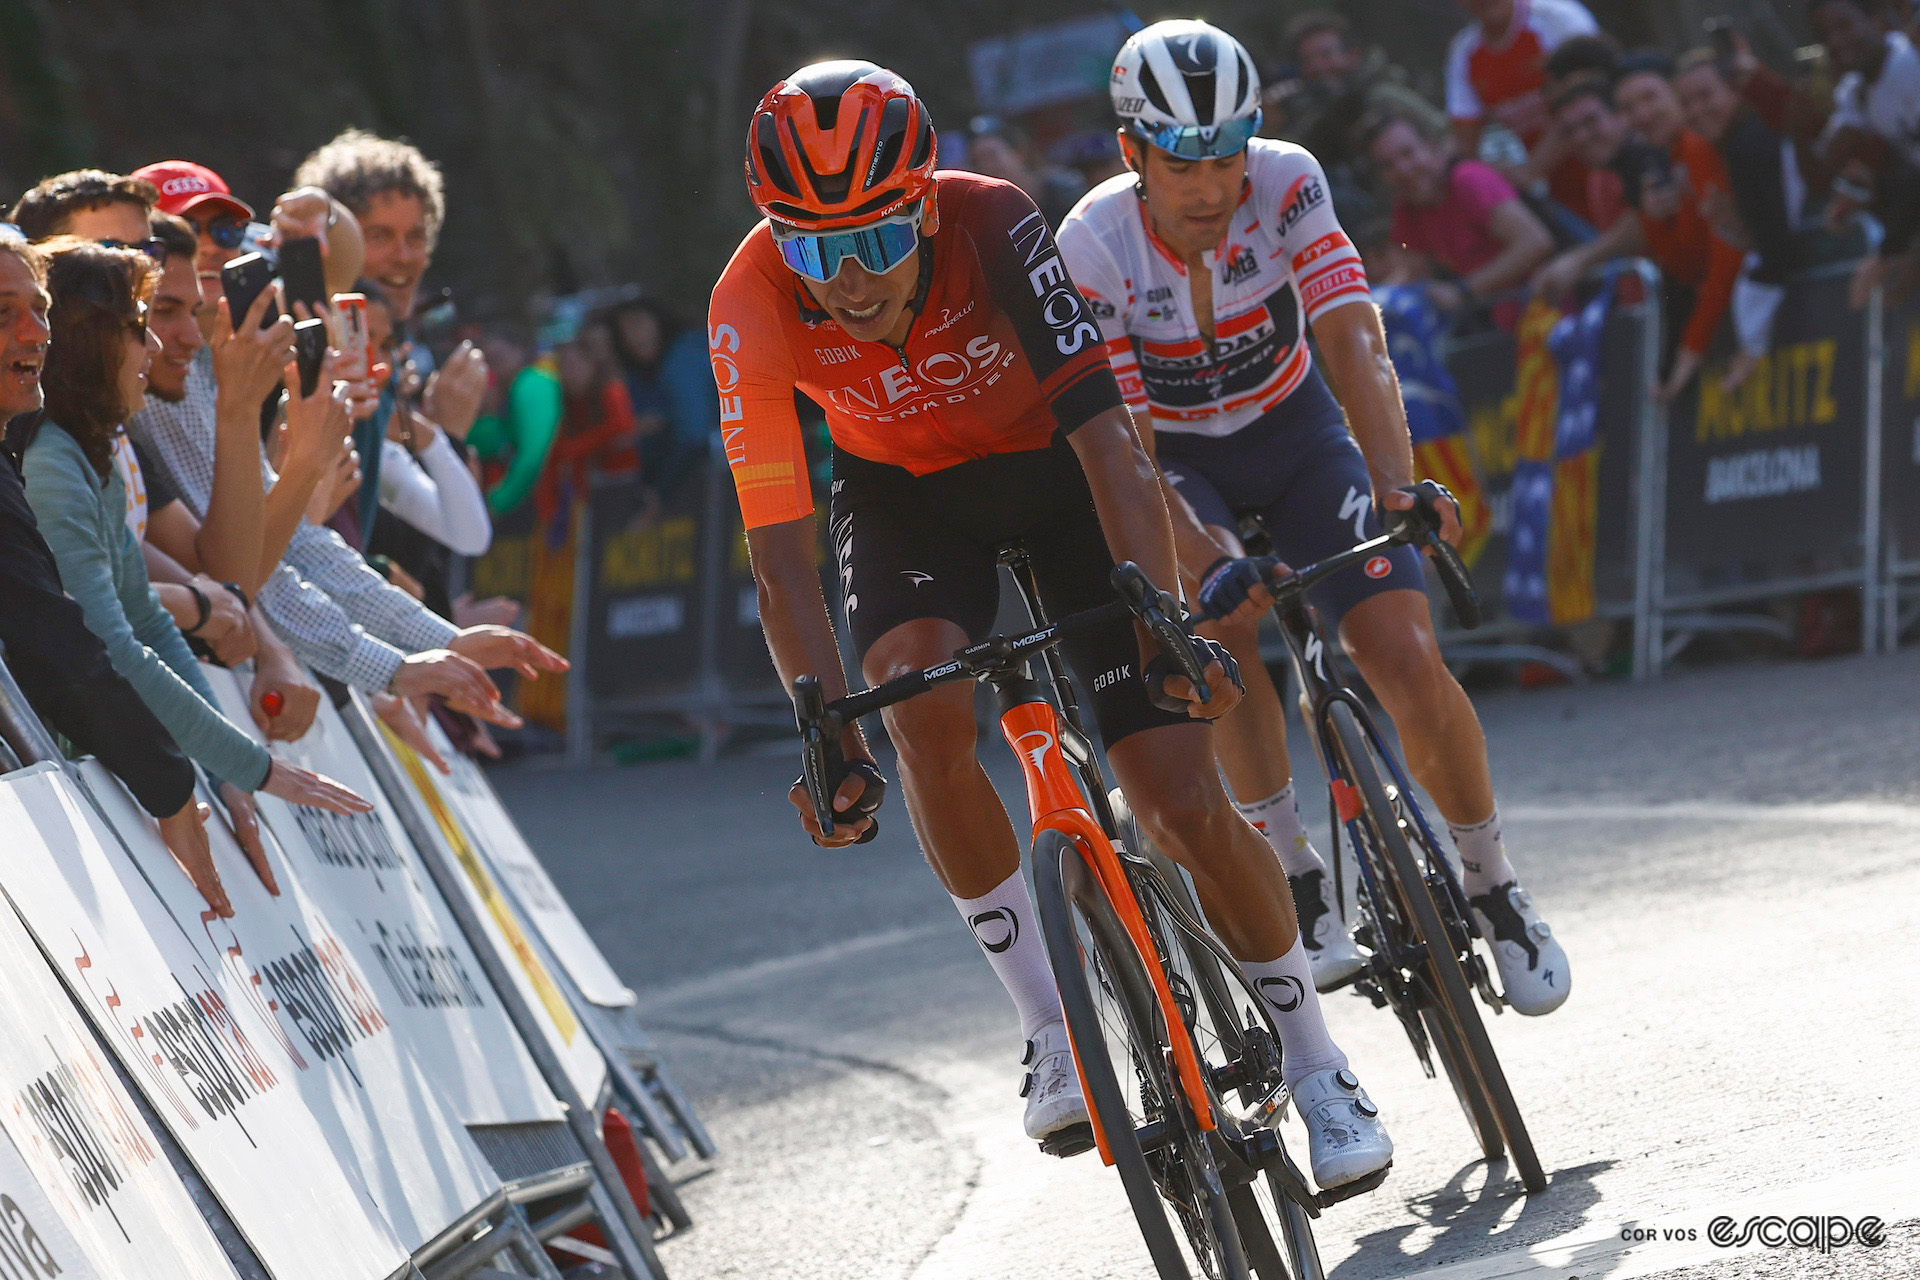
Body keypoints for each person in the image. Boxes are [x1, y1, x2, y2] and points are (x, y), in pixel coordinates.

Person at [714, 52, 1395, 1193]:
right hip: (907, 501)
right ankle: (1048, 1025)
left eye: (877, 240)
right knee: (915, 709)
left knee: (1178, 792)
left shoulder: (994, 224)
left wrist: (1160, 618)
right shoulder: (747, 301)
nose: (851, 281)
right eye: (816, 252)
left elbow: (1113, 449)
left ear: (924, 207)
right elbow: (779, 557)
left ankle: (1317, 1060)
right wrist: (821, 720)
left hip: (1065, 478)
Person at [1056, 21, 1571, 1018]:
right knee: (1227, 629)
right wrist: (1207, 564)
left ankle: (1491, 878)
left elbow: (1354, 337)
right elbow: (1128, 447)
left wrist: (1396, 484)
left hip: (1296, 432)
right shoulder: (1092, 243)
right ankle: (1295, 868)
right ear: (1133, 151)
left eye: (1226, 151)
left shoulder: (1287, 179)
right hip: (1178, 461)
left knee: (1404, 651)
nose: (1211, 183)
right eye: (1182, 159)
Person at [126, 160, 558, 735]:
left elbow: (290, 552)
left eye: (225, 232)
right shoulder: (171, 376)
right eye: (181, 234)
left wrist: (435, 643)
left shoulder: (209, 356)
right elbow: (242, 573)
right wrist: (397, 665)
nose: (208, 250)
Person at [14, 238, 373, 911]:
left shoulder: (86, 452)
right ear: (89, 344)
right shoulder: (54, 465)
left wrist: (223, 768)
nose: (152, 348)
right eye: (138, 327)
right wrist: (251, 767)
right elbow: (112, 647)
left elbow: (145, 623)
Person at [0, 227, 222, 899]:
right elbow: (64, 651)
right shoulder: (48, 462)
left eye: (38, 308)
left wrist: (227, 774)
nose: (33, 332)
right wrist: (174, 789)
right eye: (1, 313)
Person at [1611, 53, 1747, 399]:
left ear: (1675, 94)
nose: (1641, 115)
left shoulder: (1696, 146)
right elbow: (1686, 267)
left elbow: (1727, 255)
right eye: (1628, 108)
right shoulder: (1668, 157)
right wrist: (1655, 222)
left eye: (1650, 98)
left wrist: (1690, 350)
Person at [1676, 49, 1812, 389]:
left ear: (1735, 90)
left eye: (1706, 95)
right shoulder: (1737, 144)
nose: (1697, 111)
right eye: (1686, 102)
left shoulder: (1751, 144)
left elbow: (1777, 250)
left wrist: (1753, 342)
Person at [1366, 113, 1556, 329]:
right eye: (1388, 165)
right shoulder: (1406, 209)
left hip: (1544, 316)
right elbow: (1412, 273)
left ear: (1432, 147)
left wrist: (1464, 291)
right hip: (1493, 328)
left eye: (1408, 154)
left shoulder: (1469, 180)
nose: (1403, 170)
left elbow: (1536, 242)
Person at [1265, 11, 1448, 226]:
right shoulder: (1315, 117)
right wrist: (1271, 124)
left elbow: (1445, 135)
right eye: (1308, 60)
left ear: (1353, 55)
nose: (1319, 67)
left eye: (1326, 54)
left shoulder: (1384, 96)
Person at [1445, 0, 1602, 220]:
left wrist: (1530, 171)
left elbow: (1591, 101)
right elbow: (1464, 143)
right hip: (1558, 191)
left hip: (1604, 167)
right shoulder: (1464, 52)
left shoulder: (1558, 18)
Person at [1810, 0, 1920, 306]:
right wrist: (1855, 190)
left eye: (1843, 25)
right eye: (1824, 35)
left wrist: (1908, 257)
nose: (1835, 42)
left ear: (1879, 20)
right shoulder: (1854, 93)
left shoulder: (1912, 59)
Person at [608, 298, 717, 499]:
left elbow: (694, 434)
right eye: (623, 332)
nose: (633, 337)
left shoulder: (682, 358)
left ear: (658, 320)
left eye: (637, 323)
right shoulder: (645, 376)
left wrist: (658, 496)